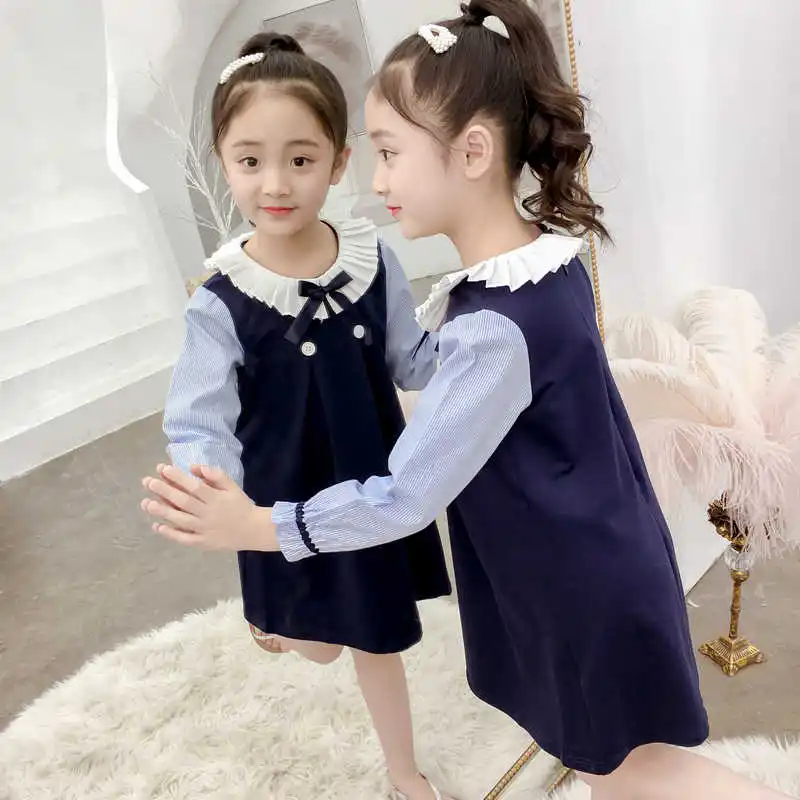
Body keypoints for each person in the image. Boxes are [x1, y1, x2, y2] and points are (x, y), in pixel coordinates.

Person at [143, 3, 792, 799]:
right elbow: (443, 380)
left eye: (389, 152)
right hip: (601, 561)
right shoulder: (546, 264)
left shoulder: (494, 326)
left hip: (574, 591)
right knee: (619, 770)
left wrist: (257, 527)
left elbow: (406, 495)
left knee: (640, 773)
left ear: (473, 151)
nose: (376, 181)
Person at [153, 30, 452, 800]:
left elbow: (411, 360)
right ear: (223, 163)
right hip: (277, 506)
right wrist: (210, 487)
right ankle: (280, 627)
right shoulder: (221, 301)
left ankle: (403, 770)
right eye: (250, 161)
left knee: (375, 639)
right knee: (318, 644)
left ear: (339, 162)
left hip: (366, 491)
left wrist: (481, 339)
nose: (276, 183)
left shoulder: (372, 261)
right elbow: (198, 417)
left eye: (301, 159)